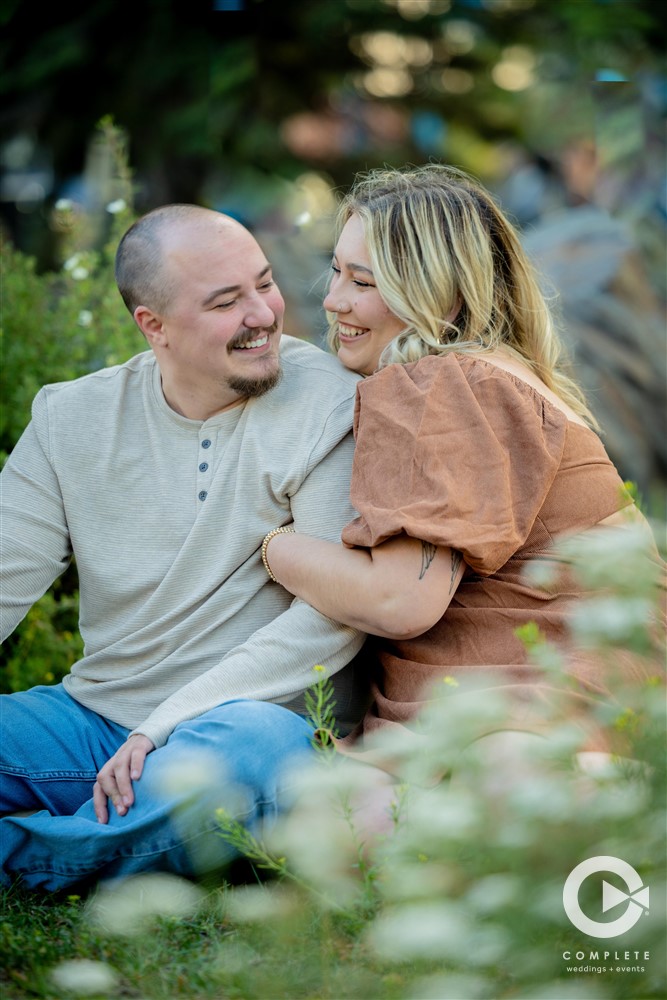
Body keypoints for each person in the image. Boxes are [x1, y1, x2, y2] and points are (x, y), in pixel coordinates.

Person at [0, 204, 366, 892]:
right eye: (226, 301)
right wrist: (137, 731)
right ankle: (125, 833)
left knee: (251, 751)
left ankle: (41, 854)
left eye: (263, 283)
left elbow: (329, 619)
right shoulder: (71, 416)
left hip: (253, 727)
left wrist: (166, 725)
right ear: (153, 326)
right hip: (96, 723)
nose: (262, 314)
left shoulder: (331, 404)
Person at [262, 163, 659, 776]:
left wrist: (270, 542)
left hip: (533, 716)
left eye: (363, 281)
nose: (333, 298)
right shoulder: (498, 373)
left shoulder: (439, 384)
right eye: (336, 270)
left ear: (437, 294)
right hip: (610, 695)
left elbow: (401, 600)